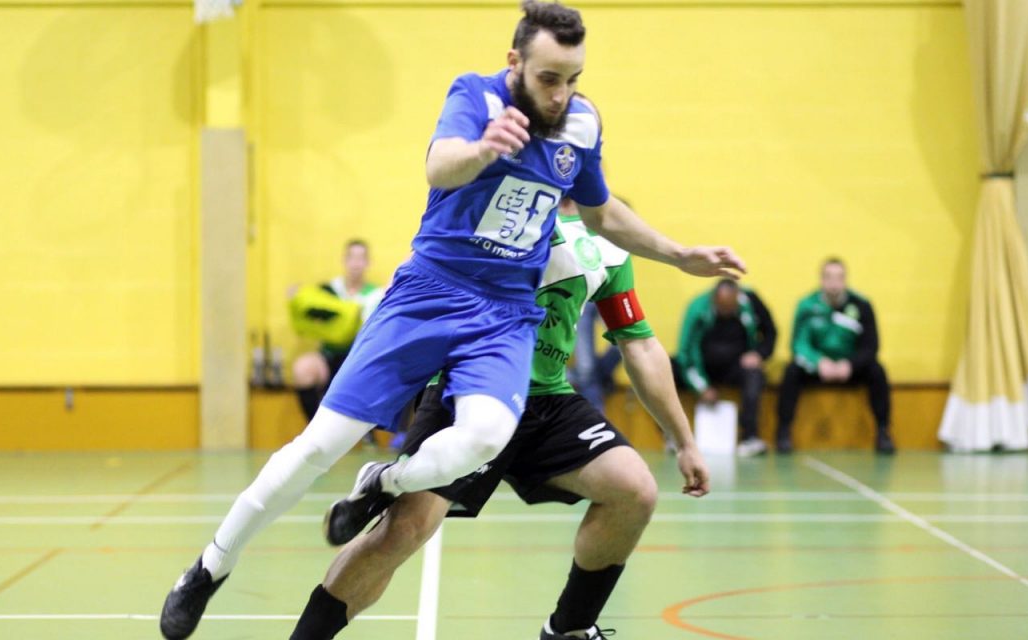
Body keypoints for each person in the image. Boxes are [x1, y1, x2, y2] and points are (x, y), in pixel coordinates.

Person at [159, 4, 745, 638]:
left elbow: (605, 215)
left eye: (574, 78)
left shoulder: (581, 128)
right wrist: (481, 149)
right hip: (430, 292)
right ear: (515, 61)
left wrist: (682, 254)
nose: (562, 93)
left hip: (503, 318)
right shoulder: (476, 94)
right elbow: (440, 164)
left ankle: (388, 481)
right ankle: (209, 567)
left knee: (489, 432)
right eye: (550, 78)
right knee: (318, 448)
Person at [289, 199, 709, 640]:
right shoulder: (496, 208)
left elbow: (638, 344)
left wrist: (684, 441)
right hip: (469, 389)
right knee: (404, 530)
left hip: (546, 400)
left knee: (634, 490)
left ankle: (569, 629)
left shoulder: (610, 241)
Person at [776, 257, 894, 454]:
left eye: (839, 277)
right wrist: (818, 362)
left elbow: (871, 346)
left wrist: (850, 365)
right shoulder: (806, 306)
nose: (834, 283)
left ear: (845, 279)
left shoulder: (862, 305)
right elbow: (798, 345)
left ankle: (883, 431)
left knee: (877, 370)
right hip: (819, 368)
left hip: (849, 368)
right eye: (829, 277)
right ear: (821, 279)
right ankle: (783, 432)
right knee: (791, 370)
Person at [674, 279, 776, 456]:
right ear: (714, 299)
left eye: (731, 308)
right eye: (722, 309)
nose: (727, 312)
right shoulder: (697, 308)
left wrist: (759, 354)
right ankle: (674, 437)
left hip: (736, 367)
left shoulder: (751, 301)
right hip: (704, 367)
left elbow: (770, 332)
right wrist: (701, 387)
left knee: (754, 375)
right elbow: (686, 353)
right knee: (669, 368)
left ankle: (749, 437)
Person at [289, 240, 385, 421]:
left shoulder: (376, 295)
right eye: (351, 258)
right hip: (329, 355)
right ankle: (314, 425)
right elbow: (307, 310)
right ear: (344, 261)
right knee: (302, 368)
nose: (356, 263)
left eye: (361, 258)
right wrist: (295, 296)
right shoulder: (329, 291)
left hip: (359, 358)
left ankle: (367, 434)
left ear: (368, 263)